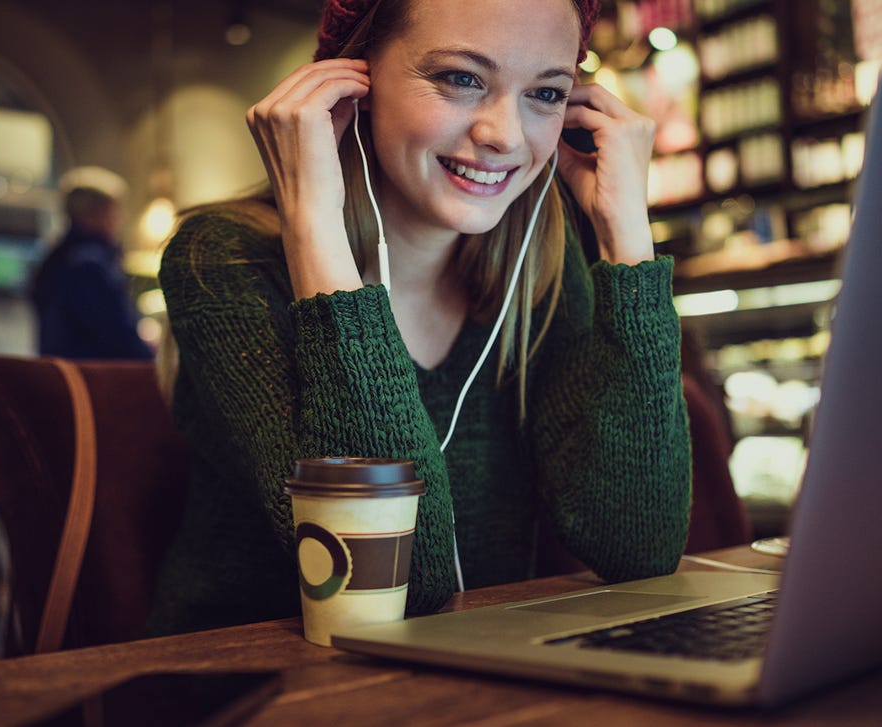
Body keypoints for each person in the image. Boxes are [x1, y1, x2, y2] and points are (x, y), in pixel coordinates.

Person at [148, 0, 691, 636]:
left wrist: (628, 236)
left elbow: (639, 546)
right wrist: (314, 228)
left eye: (545, 92)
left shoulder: (538, 265)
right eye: (462, 78)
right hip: (252, 685)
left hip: (479, 677)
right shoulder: (221, 257)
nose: (506, 135)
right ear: (356, 77)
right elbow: (399, 587)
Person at [31, 166, 154, 360]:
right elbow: (119, 337)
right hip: (93, 379)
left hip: (62, 375)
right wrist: (153, 354)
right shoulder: (90, 266)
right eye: (114, 211)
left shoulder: (57, 257)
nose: (120, 219)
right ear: (93, 215)